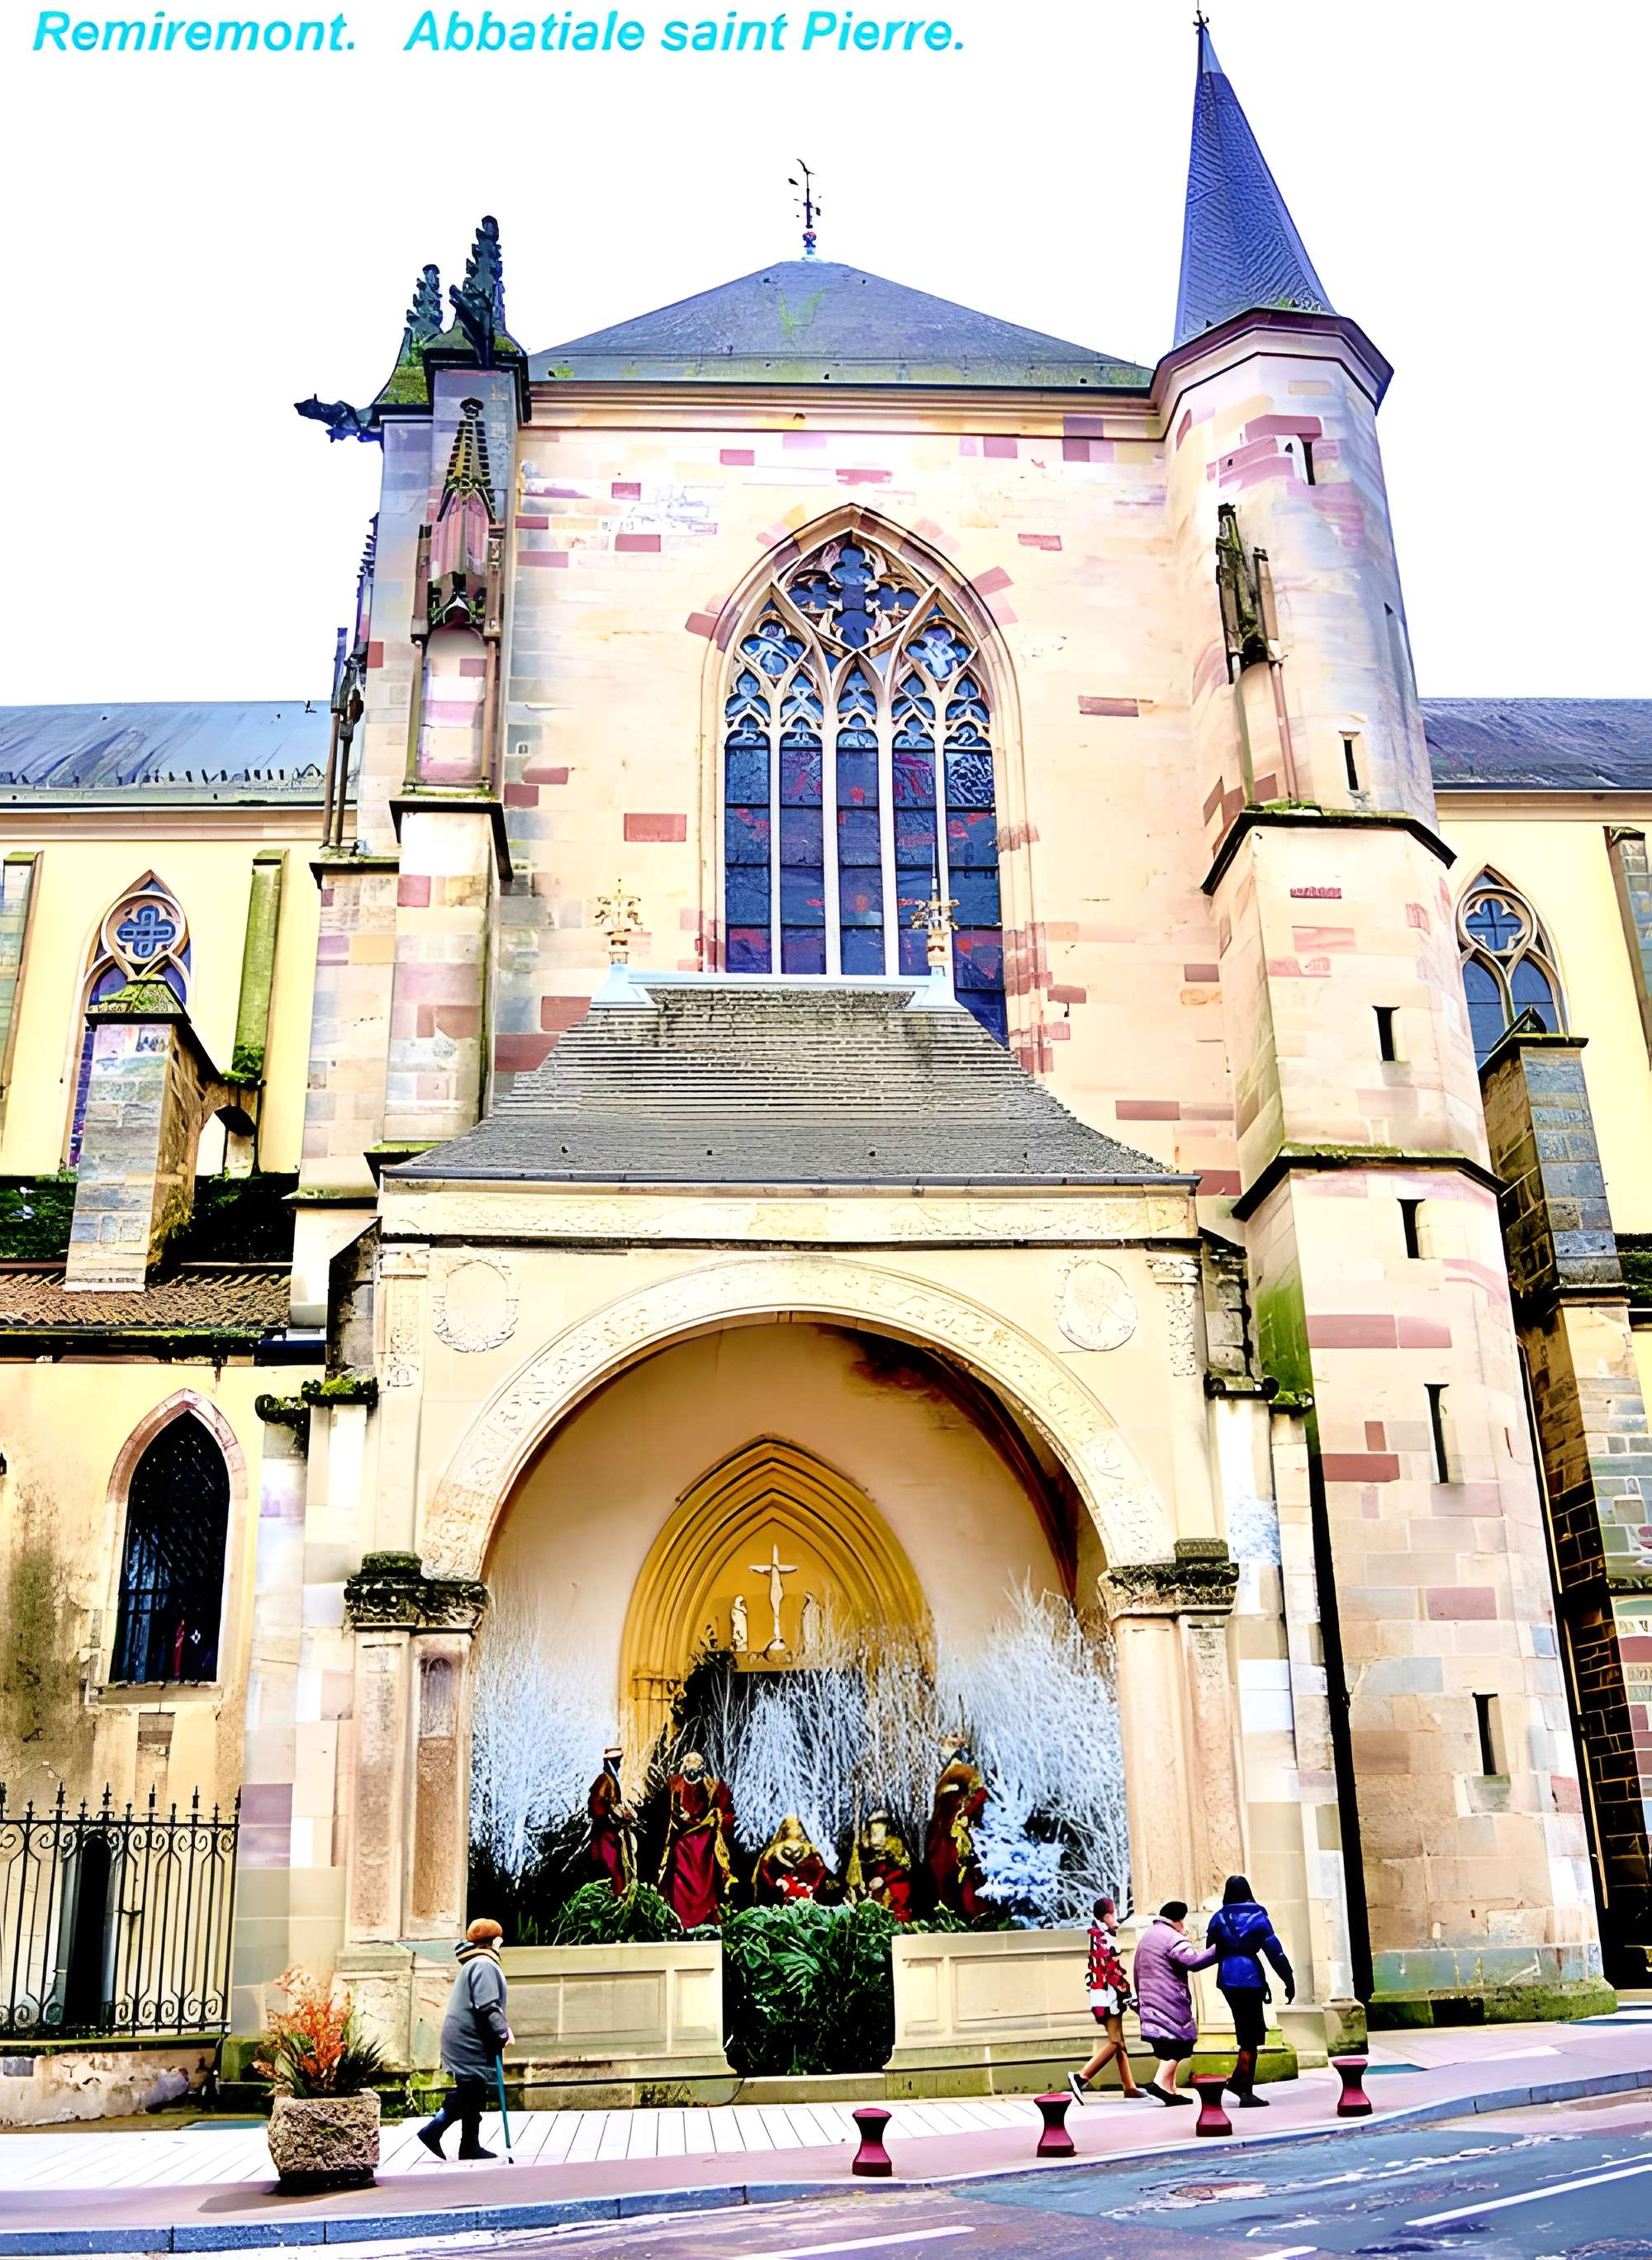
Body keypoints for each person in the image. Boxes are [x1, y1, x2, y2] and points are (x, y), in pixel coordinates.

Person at [419, 1916, 510, 2161]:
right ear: (495, 1941)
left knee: (473, 2092)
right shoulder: (485, 1965)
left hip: (464, 2038)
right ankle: (434, 2130)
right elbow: (488, 2005)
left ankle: (469, 2146)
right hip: (468, 2040)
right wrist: (502, 2032)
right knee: (471, 2093)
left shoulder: (475, 1963)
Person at [1203, 1873, 1294, 2107]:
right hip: (1250, 1977)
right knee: (1251, 2036)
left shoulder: (1218, 1918)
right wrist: (1288, 1978)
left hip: (1227, 1977)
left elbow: (1210, 1949)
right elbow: (1275, 1952)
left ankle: (1237, 2081)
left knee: (1246, 2030)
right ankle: (1245, 2091)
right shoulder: (1258, 1916)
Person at [1127, 1898, 1218, 2106]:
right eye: (1183, 1921)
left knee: (1168, 2047)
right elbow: (1194, 1962)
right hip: (1170, 2002)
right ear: (1178, 1920)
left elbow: (1137, 1970)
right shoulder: (1172, 1937)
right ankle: (1160, 2083)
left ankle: (1170, 2091)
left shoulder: (1148, 1936)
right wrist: (1218, 1950)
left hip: (1151, 2002)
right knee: (1180, 2044)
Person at [1067, 1896, 1142, 2103]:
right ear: (1107, 1914)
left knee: (1119, 2040)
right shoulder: (1104, 1937)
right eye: (1112, 1913)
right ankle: (1082, 2076)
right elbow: (1111, 1969)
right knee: (1115, 2040)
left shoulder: (1098, 1934)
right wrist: (1126, 1991)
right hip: (1108, 1995)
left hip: (1102, 1993)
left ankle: (1129, 2086)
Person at [657, 1750, 735, 1927]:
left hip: (705, 1843)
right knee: (679, 1879)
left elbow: (725, 1811)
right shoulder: (674, 1784)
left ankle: (707, 1918)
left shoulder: (713, 1785)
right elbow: (664, 1812)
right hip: (682, 1842)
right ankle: (679, 1920)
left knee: (705, 1882)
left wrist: (715, 1819)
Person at [586, 1745, 634, 1897]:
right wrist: (615, 1817)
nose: (620, 1764)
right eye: (617, 1761)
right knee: (612, 1866)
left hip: (611, 1831)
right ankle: (615, 1898)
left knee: (618, 1865)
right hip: (604, 1833)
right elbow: (598, 1807)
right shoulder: (604, 1780)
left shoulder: (611, 1779)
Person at [752, 1814, 829, 1903]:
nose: (794, 1830)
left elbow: (821, 1870)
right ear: (784, 1829)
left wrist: (813, 1886)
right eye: (790, 1828)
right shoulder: (774, 1849)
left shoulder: (810, 1849)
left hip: (807, 1898)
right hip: (779, 1900)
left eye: (796, 1827)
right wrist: (775, 1885)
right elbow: (763, 1869)